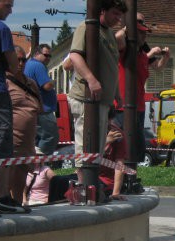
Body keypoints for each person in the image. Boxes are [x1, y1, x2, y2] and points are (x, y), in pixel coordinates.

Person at [68, 0, 127, 181]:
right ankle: (83, 185)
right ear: (103, 11)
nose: (118, 19)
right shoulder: (86, 27)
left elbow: (112, 64)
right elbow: (75, 55)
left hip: (103, 99)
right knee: (85, 142)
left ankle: (92, 184)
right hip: (86, 97)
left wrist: (116, 92)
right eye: (115, 14)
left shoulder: (109, 33)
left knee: (99, 146)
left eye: (120, 15)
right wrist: (91, 80)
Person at [0, 0, 28, 215]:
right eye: (8, 5)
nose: (11, 10)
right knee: (1, 146)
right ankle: (1, 196)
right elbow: (13, 64)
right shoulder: (0, 28)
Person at [114, 13, 170, 162]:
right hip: (123, 106)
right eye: (141, 32)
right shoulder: (126, 49)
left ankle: (131, 179)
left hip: (138, 106)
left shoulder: (142, 52)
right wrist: (128, 26)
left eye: (145, 32)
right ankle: (121, 182)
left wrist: (165, 58)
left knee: (137, 150)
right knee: (124, 150)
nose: (145, 35)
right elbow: (118, 37)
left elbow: (157, 68)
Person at [6, 46, 42, 207]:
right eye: (17, 59)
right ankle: (3, 204)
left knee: (22, 173)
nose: (20, 63)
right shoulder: (3, 82)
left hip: (28, 140)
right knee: (7, 173)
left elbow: (40, 108)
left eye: (23, 60)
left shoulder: (31, 83)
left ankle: (17, 204)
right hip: (10, 139)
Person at [24, 43, 59, 155]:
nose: (48, 58)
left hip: (33, 107)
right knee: (50, 136)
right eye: (46, 55)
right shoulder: (38, 66)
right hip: (43, 108)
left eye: (50, 56)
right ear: (37, 53)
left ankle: (35, 165)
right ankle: (42, 164)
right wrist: (53, 82)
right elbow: (46, 86)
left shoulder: (28, 64)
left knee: (36, 138)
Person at [100, 112, 128, 200]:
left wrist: (115, 193)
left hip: (105, 182)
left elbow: (119, 165)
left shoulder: (117, 134)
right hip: (87, 175)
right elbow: (86, 158)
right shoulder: (90, 131)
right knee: (60, 182)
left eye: (108, 120)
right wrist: (106, 142)